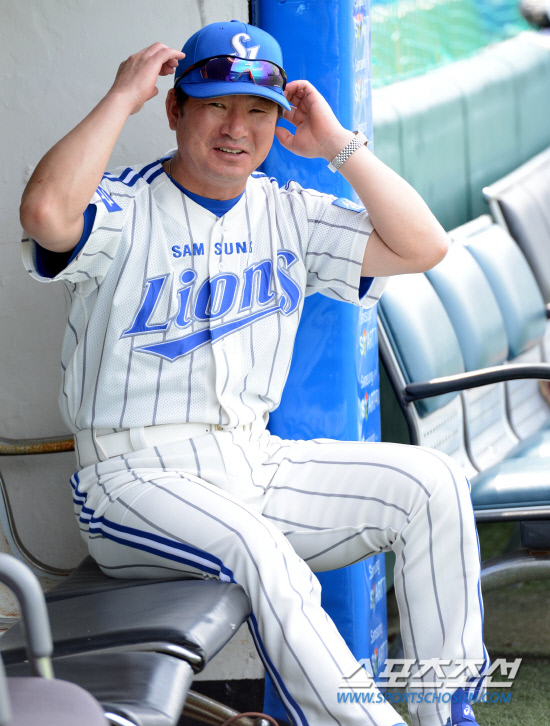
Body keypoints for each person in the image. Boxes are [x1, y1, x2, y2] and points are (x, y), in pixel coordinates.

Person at [20, 20, 487, 726]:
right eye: (215, 104)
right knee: (261, 553)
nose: (237, 128)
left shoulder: (286, 211)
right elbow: (47, 214)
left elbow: (424, 246)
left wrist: (340, 146)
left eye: (257, 109)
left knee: (434, 483)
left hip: (252, 458)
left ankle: (444, 713)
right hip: (132, 478)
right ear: (175, 109)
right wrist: (120, 96)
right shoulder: (122, 206)